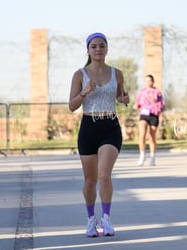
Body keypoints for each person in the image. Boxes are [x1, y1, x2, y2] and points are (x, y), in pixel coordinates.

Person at [69, 32, 129, 237]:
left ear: (106, 49)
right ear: (88, 50)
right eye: (94, 46)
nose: (98, 49)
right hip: (88, 127)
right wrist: (84, 92)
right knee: (90, 180)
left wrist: (124, 98)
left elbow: (121, 95)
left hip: (110, 126)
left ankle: (106, 219)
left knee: (104, 176)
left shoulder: (117, 73)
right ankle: (90, 220)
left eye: (102, 46)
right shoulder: (80, 75)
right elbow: (71, 106)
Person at [134, 74, 165, 166]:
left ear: (153, 81)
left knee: (152, 137)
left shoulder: (157, 92)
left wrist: (155, 104)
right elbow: (137, 103)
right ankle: (142, 156)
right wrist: (136, 106)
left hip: (154, 115)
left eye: (150, 81)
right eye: (146, 81)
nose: (148, 82)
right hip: (144, 114)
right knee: (142, 135)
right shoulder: (142, 92)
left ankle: (152, 158)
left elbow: (162, 104)